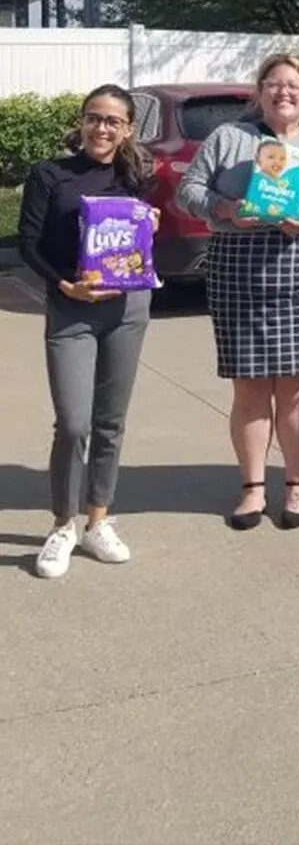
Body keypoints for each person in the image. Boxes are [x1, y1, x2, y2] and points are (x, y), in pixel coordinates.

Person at [178, 54, 299, 530]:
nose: (284, 93)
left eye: (294, 85)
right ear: (259, 92)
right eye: (273, 84)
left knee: (294, 388)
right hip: (238, 269)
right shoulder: (228, 139)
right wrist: (227, 208)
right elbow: (188, 191)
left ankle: (296, 487)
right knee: (249, 387)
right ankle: (252, 488)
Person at [18, 84, 156, 579]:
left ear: (127, 130)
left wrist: (148, 226)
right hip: (70, 309)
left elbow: (139, 246)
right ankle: (63, 524)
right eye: (93, 118)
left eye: (112, 121)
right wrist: (63, 285)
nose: (101, 128)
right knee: (74, 422)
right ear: (81, 122)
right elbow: (28, 243)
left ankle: (99, 519)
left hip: (126, 309)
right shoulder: (50, 174)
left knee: (110, 421)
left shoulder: (136, 176)